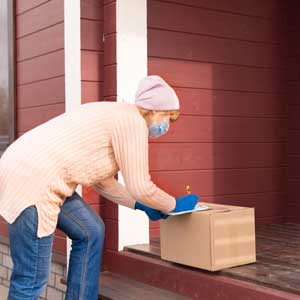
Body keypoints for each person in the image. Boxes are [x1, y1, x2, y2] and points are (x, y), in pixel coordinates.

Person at [0, 75, 199, 300]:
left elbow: (102, 182)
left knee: (90, 230)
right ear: (153, 110)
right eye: (168, 118)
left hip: (33, 173)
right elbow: (141, 185)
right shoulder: (132, 121)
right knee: (31, 278)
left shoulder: (116, 116)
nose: (167, 126)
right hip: (33, 181)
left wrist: (141, 205)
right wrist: (174, 205)